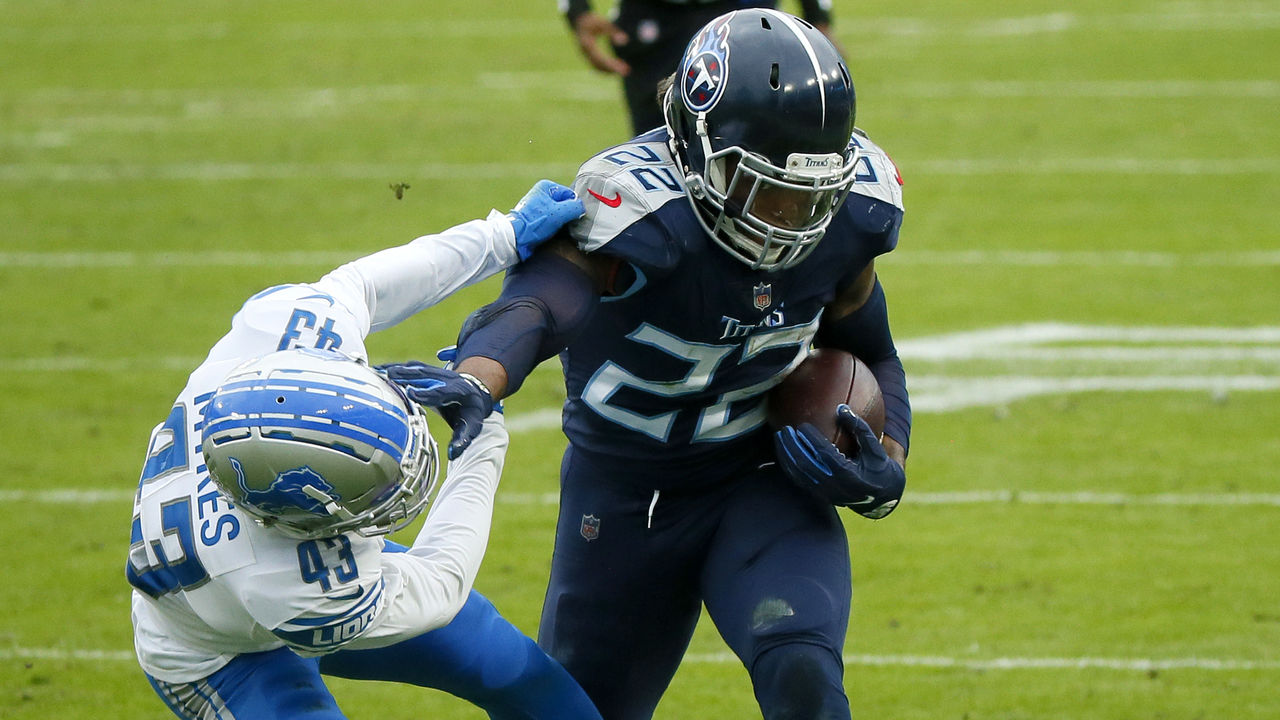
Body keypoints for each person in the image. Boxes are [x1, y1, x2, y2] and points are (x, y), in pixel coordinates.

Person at [449, 9, 910, 718]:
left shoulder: (851, 215)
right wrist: (479, 376)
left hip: (762, 478)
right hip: (626, 497)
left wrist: (889, 459)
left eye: (812, 194)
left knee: (805, 682)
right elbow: (540, 306)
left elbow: (871, 349)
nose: (793, 218)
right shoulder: (640, 212)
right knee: (578, 710)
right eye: (768, 189)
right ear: (697, 148)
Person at [126, 180, 604, 719]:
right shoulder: (303, 587)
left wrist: (504, 234)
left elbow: (365, 285)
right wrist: (483, 440)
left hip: (269, 562)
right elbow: (442, 579)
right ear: (311, 516)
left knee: (523, 678)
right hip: (219, 654)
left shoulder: (278, 334)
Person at [561, 0, 837, 135]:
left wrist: (817, 16)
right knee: (661, 155)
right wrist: (577, 10)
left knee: (763, 144)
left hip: (744, 7)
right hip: (654, 16)